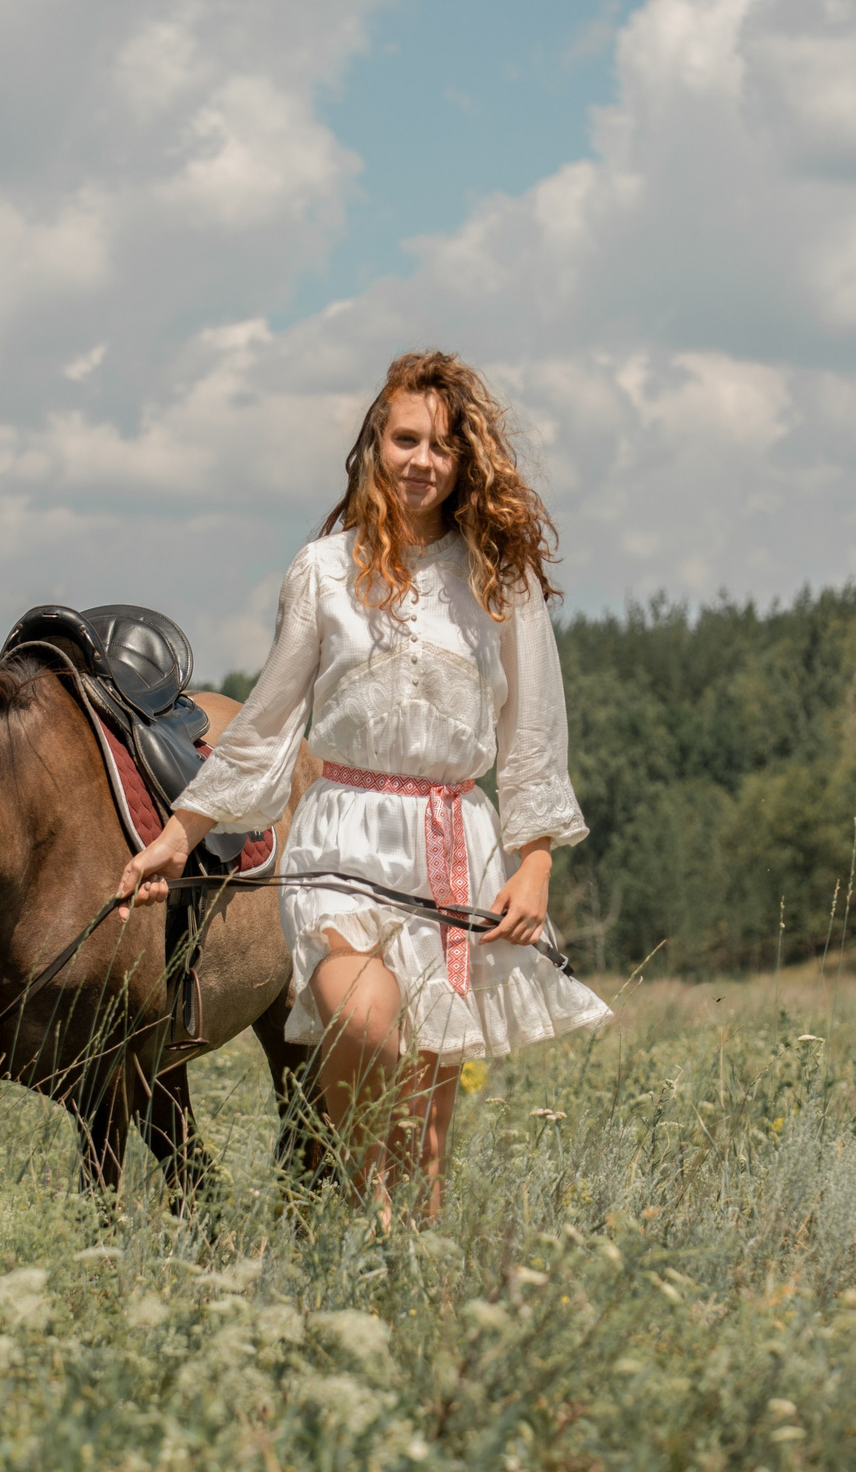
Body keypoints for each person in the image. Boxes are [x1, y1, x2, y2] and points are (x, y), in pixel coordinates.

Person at [115, 350, 611, 1223]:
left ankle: (389, 1258)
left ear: (465, 463)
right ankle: (361, 1201)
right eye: (405, 439)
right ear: (375, 445)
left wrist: (534, 863)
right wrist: (179, 836)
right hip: (341, 835)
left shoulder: (501, 577)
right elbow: (267, 722)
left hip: (453, 844)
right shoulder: (322, 571)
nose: (422, 459)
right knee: (366, 1018)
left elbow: (534, 730)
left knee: (424, 1138)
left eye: (443, 446)